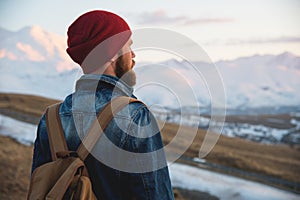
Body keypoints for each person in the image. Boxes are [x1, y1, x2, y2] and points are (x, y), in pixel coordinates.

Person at [31, 10, 174, 199]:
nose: (133, 55)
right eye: (128, 47)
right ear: (112, 53)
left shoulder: (51, 118)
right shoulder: (135, 115)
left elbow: (40, 186)